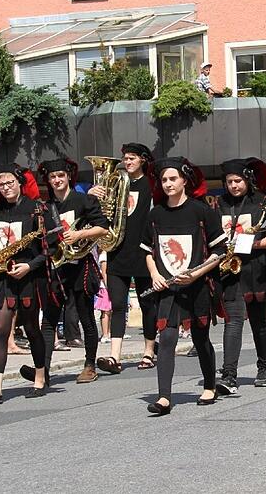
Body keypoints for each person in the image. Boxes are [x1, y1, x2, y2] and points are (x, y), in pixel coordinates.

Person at [0, 164, 56, 404]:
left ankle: (39, 377)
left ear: (19, 183)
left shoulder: (37, 208)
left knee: (31, 329)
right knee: (2, 331)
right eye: (1, 184)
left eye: (10, 183)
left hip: (27, 276)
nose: (6, 188)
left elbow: (53, 246)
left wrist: (30, 265)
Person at [142, 157, 224, 415]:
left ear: (185, 181)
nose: (167, 184)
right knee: (166, 337)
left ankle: (210, 385)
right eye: (164, 180)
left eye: (173, 179)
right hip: (167, 287)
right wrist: (154, 273)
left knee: (200, 338)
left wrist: (197, 273)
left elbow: (220, 250)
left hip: (197, 285)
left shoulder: (201, 211)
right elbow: (147, 250)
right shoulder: (155, 213)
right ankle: (164, 397)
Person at [23, 157, 108, 385]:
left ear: (68, 176)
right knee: (49, 321)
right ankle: (44, 370)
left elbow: (103, 227)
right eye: (53, 177)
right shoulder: (44, 207)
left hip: (81, 266)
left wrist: (80, 235)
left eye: (61, 176)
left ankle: (90, 365)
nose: (57, 180)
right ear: (48, 181)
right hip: (55, 269)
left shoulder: (84, 200)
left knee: (86, 318)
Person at [213, 158, 266, 393]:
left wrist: (252, 244)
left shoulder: (261, 201)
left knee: (259, 321)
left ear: (247, 180)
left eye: (238, 181)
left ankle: (265, 368)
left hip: (256, 269)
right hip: (230, 272)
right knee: (232, 322)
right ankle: (229, 375)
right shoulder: (218, 203)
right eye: (229, 182)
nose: (233, 185)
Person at [92, 144, 158, 374]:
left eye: (131, 158)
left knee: (148, 303)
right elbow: (102, 213)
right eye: (125, 159)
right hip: (117, 251)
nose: (126, 162)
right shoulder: (117, 182)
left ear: (142, 160)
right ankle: (114, 356)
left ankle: (149, 350)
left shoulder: (152, 185)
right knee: (117, 305)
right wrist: (94, 195)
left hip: (143, 252)